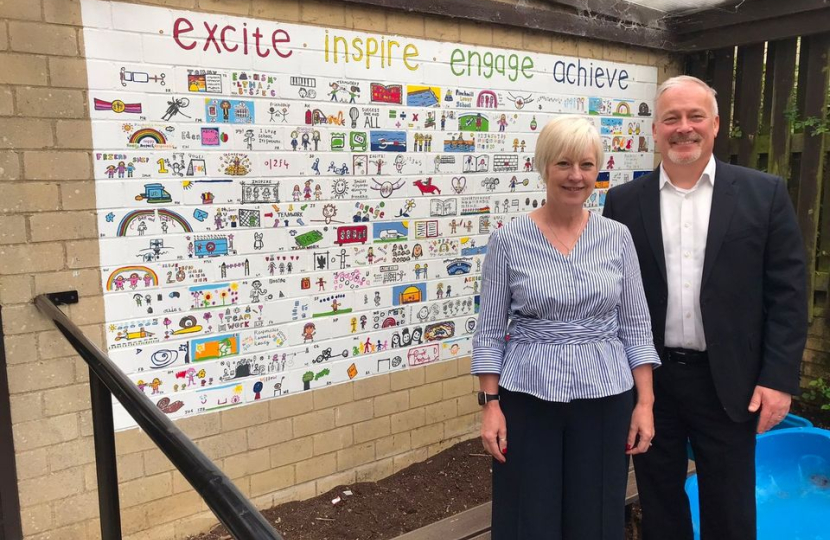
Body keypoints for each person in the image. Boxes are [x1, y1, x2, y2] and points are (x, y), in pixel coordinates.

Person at [603, 75, 808, 540]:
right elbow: (610, 296)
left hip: (731, 380)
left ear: (715, 125)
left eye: (695, 116)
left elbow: (789, 295)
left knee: (731, 503)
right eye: (671, 118)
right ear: (654, 130)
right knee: (658, 498)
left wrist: (777, 378)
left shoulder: (764, 194)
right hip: (650, 381)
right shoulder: (623, 202)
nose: (684, 127)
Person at [472, 116, 660, 540]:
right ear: (544, 167)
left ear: (598, 170)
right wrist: (490, 404)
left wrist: (644, 402)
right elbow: (488, 330)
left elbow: (635, 324)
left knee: (595, 513)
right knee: (528, 513)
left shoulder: (618, 238)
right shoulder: (509, 239)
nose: (576, 176)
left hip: (606, 396)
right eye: (563, 164)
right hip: (527, 396)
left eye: (587, 165)